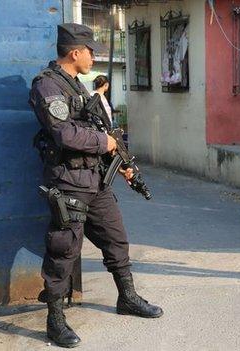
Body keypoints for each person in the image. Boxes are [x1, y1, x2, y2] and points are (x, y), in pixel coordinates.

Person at [29, 23, 162, 348]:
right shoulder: (46, 86)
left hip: (95, 180)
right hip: (68, 182)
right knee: (63, 251)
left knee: (116, 239)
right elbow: (64, 134)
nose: (94, 58)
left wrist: (121, 166)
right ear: (75, 52)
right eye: (91, 52)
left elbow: (97, 138)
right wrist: (106, 143)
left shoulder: (78, 88)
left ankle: (127, 297)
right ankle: (55, 321)